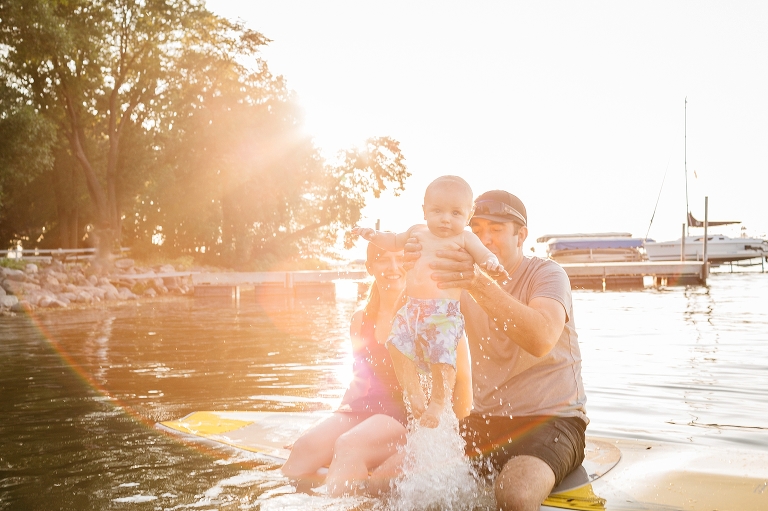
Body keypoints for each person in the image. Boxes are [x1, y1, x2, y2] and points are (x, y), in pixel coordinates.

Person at [370, 190, 588, 511]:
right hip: (485, 419)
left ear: (521, 236)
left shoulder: (546, 273)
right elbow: (408, 335)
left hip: (553, 420)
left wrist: (477, 281)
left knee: (514, 495)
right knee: (388, 480)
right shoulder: (454, 276)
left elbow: (541, 339)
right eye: (478, 229)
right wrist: (410, 268)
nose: (484, 239)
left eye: (496, 230)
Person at [281, 242, 472, 497]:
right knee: (305, 447)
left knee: (349, 445)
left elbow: (462, 382)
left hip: (404, 416)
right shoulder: (361, 319)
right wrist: (328, 425)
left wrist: (448, 441)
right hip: (364, 408)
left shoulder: (433, 317)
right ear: (370, 267)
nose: (392, 267)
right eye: (383, 259)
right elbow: (358, 379)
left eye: (399, 259)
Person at [352, 176, 505, 428]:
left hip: (443, 313)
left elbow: (483, 255)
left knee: (442, 358)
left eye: (456, 213)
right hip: (411, 309)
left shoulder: (465, 239)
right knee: (396, 344)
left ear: (469, 215)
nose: (446, 218)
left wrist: (491, 263)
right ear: (424, 211)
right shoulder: (416, 232)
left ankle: (438, 400)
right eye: (437, 211)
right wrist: (372, 235)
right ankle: (413, 392)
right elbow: (392, 241)